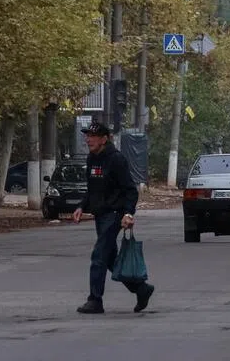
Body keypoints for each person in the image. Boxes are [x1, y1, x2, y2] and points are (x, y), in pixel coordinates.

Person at [72, 122, 154, 315]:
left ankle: (95, 300)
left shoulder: (116, 160)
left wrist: (127, 213)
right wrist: (81, 206)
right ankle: (142, 289)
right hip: (100, 216)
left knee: (98, 255)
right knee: (110, 259)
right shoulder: (92, 159)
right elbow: (92, 189)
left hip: (114, 215)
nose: (88, 139)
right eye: (87, 135)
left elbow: (130, 190)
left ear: (104, 138)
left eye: (93, 135)